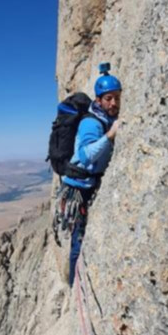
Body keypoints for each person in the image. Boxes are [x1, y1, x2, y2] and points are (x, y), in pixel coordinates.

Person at [62, 64, 121, 286]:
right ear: (98, 100)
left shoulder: (103, 118)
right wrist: (110, 136)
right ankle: (73, 284)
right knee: (78, 240)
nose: (113, 103)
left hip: (88, 184)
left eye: (116, 97)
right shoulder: (91, 123)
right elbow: (86, 156)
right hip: (79, 189)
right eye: (108, 98)